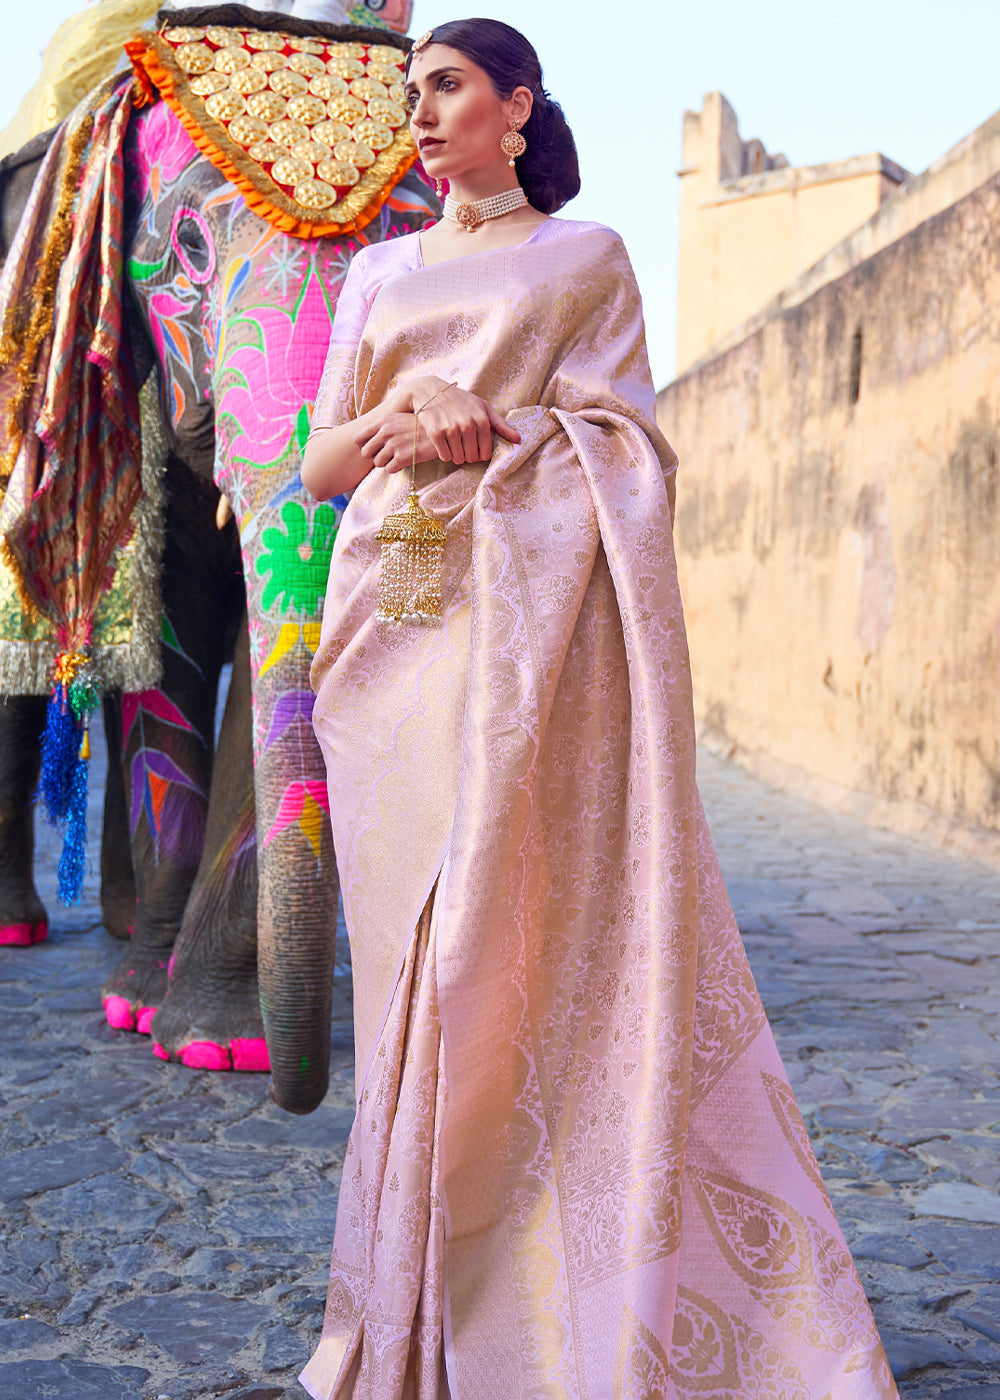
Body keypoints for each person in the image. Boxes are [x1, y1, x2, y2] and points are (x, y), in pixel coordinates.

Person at [299, 18, 899, 1400]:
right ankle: (413, 1316)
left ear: (517, 109)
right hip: (398, 633)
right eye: (413, 90)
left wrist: (494, 423)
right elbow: (321, 461)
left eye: (446, 85)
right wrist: (402, 422)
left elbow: (629, 448)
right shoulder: (381, 272)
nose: (422, 110)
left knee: (510, 950)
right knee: (413, 975)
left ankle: (554, 1310)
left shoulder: (589, 259)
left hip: (534, 646)